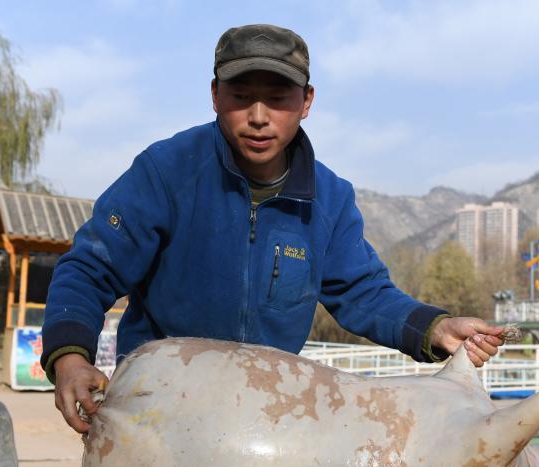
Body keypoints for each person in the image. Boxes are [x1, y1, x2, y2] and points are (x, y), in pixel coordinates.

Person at [42, 24, 506, 434]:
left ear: (306, 101)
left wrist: (437, 327)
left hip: (265, 418)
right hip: (156, 411)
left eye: (278, 98)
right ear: (215, 95)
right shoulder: (166, 172)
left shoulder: (330, 198)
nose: (259, 116)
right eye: (241, 96)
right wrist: (69, 358)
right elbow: (89, 269)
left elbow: (363, 293)